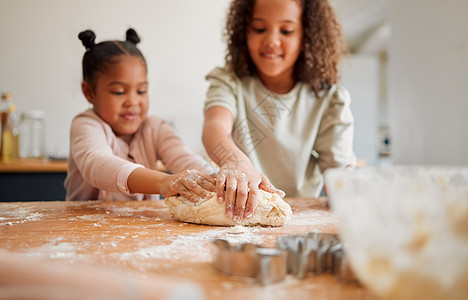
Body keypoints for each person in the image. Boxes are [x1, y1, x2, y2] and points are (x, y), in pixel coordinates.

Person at [202, 0, 356, 222]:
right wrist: (239, 165)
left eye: (286, 31)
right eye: (259, 29)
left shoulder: (328, 99)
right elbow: (215, 128)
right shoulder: (229, 81)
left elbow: (337, 172)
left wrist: (346, 184)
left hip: (300, 221)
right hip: (239, 219)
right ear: (244, 31)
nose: (272, 41)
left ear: (307, 37)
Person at [65, 28, 216, 201]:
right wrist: (164, 182)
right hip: (85, 226)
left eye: (141, 91)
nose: (133, 102)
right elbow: (98, 164)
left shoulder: (155, 127)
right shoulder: (86, 124)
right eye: (119, 92)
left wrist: (216, 178)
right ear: (89, 92)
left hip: (143, 225)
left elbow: (185, 158)